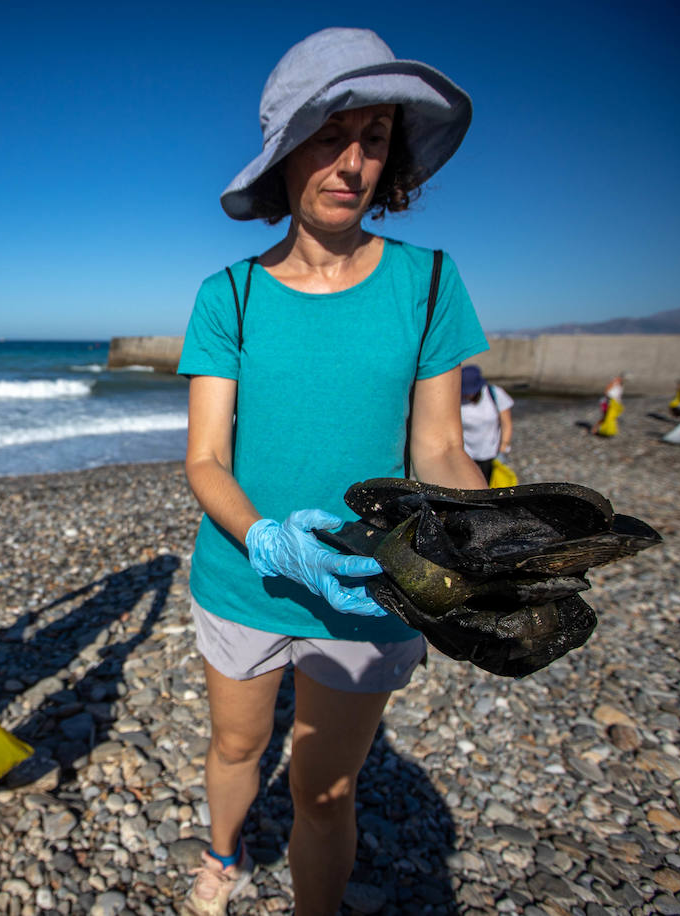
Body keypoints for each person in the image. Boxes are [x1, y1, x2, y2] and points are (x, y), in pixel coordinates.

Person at [177, 28, 487, 916]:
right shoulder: (227, 295)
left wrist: (495, 546)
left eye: (375, 138)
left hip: (371, 584)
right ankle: (223, 851)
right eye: (329, 135)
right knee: (236, 749)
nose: (353, 162)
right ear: (285, 153)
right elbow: (205, 458)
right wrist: (270, 540)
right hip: (242, 576)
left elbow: (436, 449)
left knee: (324, 790)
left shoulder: (429, 283)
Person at [459, 365, 514, 482]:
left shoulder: (494, 394)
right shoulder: (455, 397)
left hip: (489, 451)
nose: (467, 394)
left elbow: (506, 423)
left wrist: (504, 447)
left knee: (487, 486)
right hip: (464, 452)